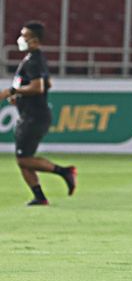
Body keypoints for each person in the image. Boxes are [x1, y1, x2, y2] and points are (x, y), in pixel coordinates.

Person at [0, 21, 77, 205]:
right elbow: (47, 83)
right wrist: (19, 97)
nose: (20, 39)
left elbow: (38, 87)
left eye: (24, 35)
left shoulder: (34, 60)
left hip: (34, 117)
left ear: (34, 40)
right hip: (32, 114)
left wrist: (13, 91)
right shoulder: (35, 58)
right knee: (23, 158)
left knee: (24, 159)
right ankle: (40, 197)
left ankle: (64, 172)